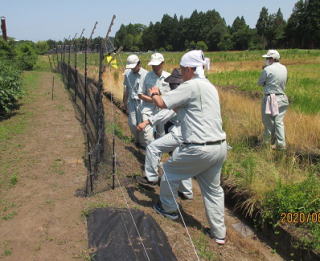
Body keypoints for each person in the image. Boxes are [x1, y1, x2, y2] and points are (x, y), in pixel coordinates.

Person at [149, 50, 227, 245]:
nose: (181, 73)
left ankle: (168, 209)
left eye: (183, 69)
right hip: (219, 147)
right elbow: (186, 109)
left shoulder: (191, 85)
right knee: (213, 190)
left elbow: (161, 103)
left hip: (199, 148)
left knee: (168, 170)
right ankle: (219, 234)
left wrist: (155, 93)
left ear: (191, 69)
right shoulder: (209, 86)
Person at [136, 69, 193, 200]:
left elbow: (166, 112)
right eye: (171, 83)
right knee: (181, 159)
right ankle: (186, 191)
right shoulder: (191, 92)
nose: (172, 85)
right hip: (190, 133)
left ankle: (152, 179)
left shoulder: (181, 95)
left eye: (174, 83)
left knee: (153, 147)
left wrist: (147, 122)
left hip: (182, 132)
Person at [258, 50, 289, 150]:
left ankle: (266, 143)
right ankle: (281, 144)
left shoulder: (267, 69)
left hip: (271, 98)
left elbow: (260, 83)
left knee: (267, 121)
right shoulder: (284, 68)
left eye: (267, 58)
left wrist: (264, 70)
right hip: (282, 97)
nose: (266, 60)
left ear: (272, 59)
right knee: (279, 121)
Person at [138, 53, 171, 145]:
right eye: (153, 65)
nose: (155, 67)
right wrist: (154, 99)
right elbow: (140, 94)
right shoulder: (146, 76)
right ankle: (151, 153)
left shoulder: (169, 77)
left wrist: (161, 101)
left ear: (162, 63)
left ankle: (157, 156)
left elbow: (172, 96)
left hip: (162, 110)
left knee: (161, 133)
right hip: (148, 109)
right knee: (147, 135)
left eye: (157, 64)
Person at [123, 54, 148, 146]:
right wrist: (124, 101)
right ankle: (136, 139)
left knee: (142, 123)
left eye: (133, 66)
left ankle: (142, 143)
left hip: (142, 102)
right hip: (131, 101)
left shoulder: (146, 74)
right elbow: (126, 89)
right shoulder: (127, 73)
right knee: (132, 123)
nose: (132, 69)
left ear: (139, 63)